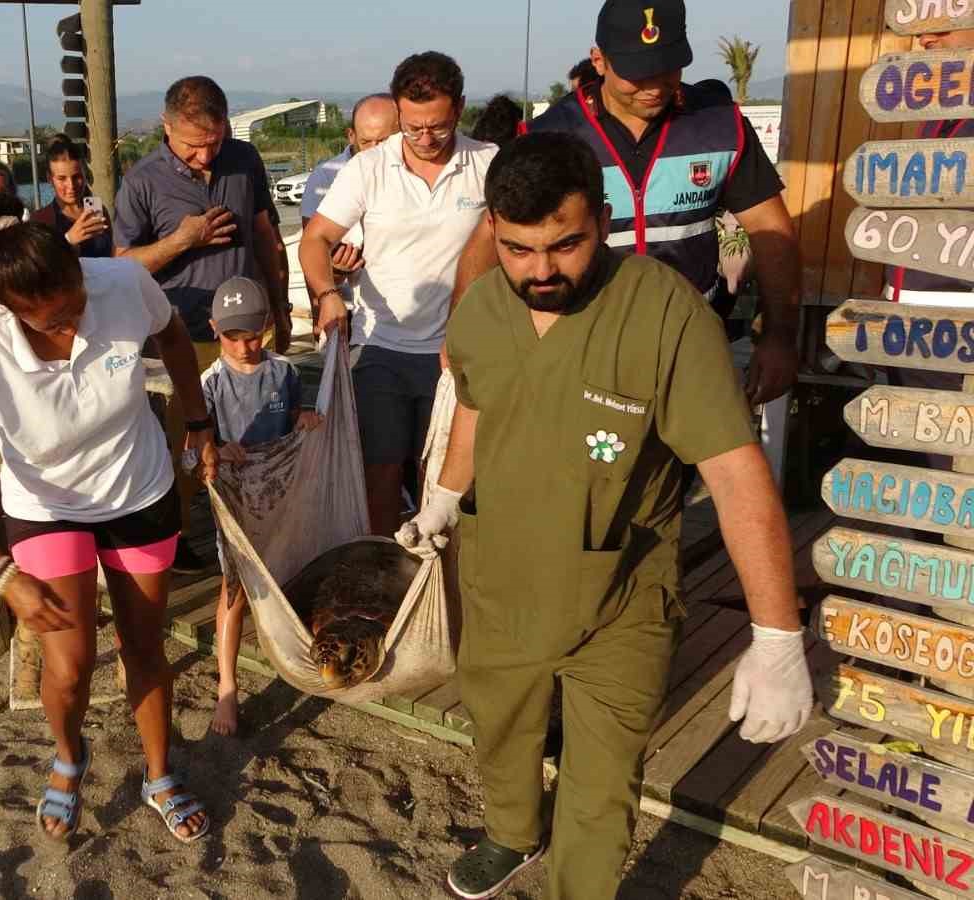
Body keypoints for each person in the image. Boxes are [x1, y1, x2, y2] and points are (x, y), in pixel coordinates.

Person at [399, 133, 811, 900]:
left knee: (603, 779)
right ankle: (512, 834)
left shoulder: (664, 313)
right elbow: (475, 411)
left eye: (565, 244)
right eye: (518, 249)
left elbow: (733, 470)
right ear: (493, 227)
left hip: (619, 594)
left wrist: (776, 634)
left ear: (605, 220)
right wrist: (444, 500)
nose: (541, 270)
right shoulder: (483, 309)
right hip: (500, 581)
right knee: (500, 727)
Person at [0, 194, 216, 844]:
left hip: (137, 490)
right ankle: (68, 755)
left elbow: (170, 335)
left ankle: (159, 775)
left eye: (79, 294)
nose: (80, 315)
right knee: (72, 663)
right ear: (17, 310)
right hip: (47, 511)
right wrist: (2, 576)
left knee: (145, 644)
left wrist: (198, 422)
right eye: (59, 314)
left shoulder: (121, 281)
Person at [454, 0, 801, 407]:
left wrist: (779, 336)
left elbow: (771, 232)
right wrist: (462, 333)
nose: (654, 86)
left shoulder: (721, 126)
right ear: (599, 60)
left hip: (690, 347)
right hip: (578, 348)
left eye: (668, 67)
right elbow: (489, 237)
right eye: (637, 73)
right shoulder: (547, 136)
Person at [300, 52, 498, 537]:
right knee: (382, 472)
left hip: (461, 353)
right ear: (398, 111)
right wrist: (327, 293)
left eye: (438, 127)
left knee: (450, 480)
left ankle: (447, 579)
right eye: (412, 128)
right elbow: (314, 239)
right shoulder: (369, 168)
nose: (425, 140)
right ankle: (388, 576)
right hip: (381, 348)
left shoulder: (488, 162)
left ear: (461, 109)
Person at [115, 75, 291, 573]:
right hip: (183, 338)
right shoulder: (142, 181)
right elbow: (122, 263)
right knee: (191, 447)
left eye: (214, 143)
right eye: (195, 147)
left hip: (252, 330)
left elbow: (266, 237)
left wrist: (280, 309)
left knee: (258, 441)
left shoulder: (244, 159)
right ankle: (185, 542)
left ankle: (259, 538)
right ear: (166, 128)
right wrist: (182, 240)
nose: (206, 157)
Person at [202, 275, 323, 736]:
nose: (244, 346)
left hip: (280, 497)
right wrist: (217, 447)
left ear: (269, 327)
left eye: (253, 334)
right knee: (233, 591)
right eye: (233, 336)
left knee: (287, 573)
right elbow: (194, 449)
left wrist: (303, 418)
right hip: (234, 502)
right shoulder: (208, 384)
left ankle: (298, 660)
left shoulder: (284, 372)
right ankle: (227, 688)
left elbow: (290, 416)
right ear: (215, 329)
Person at [881, 25, 974, 471]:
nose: (923, 39)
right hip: (909, 328)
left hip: (958, 332)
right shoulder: (943, 102)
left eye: (940, 24)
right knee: (921, 468)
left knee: (954, 471)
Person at [299, 94, 401, 302]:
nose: (375, 151)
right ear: (351, 136)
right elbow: (311, 248)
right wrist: (330, 284)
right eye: (366, 142)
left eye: (383, 142)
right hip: (351, 307)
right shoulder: (325, 176)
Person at [31, 135, 112, 258]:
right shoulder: (40, 220)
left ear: (85, 174)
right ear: (49, 179)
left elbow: (111, 256)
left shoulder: (99, 210)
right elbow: (38, 270)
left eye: (76, 177)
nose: (71, 185)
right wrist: (68, 240)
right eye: (62, 178)